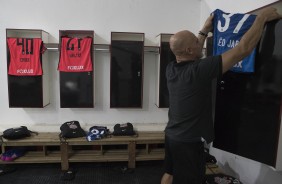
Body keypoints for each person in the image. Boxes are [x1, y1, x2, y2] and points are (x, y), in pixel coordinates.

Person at [161, 7, 282, 184]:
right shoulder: (200, 70)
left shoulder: (171, 69)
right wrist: (262, 18)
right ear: (188, 50)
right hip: (188, 142)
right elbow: (243, 49)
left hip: (171, 136)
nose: (199, 42)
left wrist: (203, 29)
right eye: (196, 41)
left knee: (170, 174)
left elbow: (193, 53)